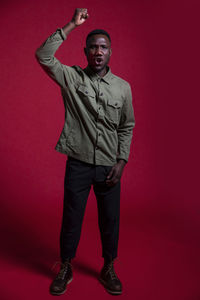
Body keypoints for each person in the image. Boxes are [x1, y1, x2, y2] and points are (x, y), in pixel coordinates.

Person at [35, 8, 135, 296]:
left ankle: (109, 266)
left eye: (103, 47)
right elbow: (43, 56)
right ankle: (66, 266)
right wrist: (71, 25)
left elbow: (127, 126)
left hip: (109, 166)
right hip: (78, 164)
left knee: (110, 220)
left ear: (110, 52)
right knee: (72, 218)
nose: (98, 51)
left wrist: (122, 160)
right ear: (85, 51)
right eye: (93, 47)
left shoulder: (123, 88)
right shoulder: (71, 78)